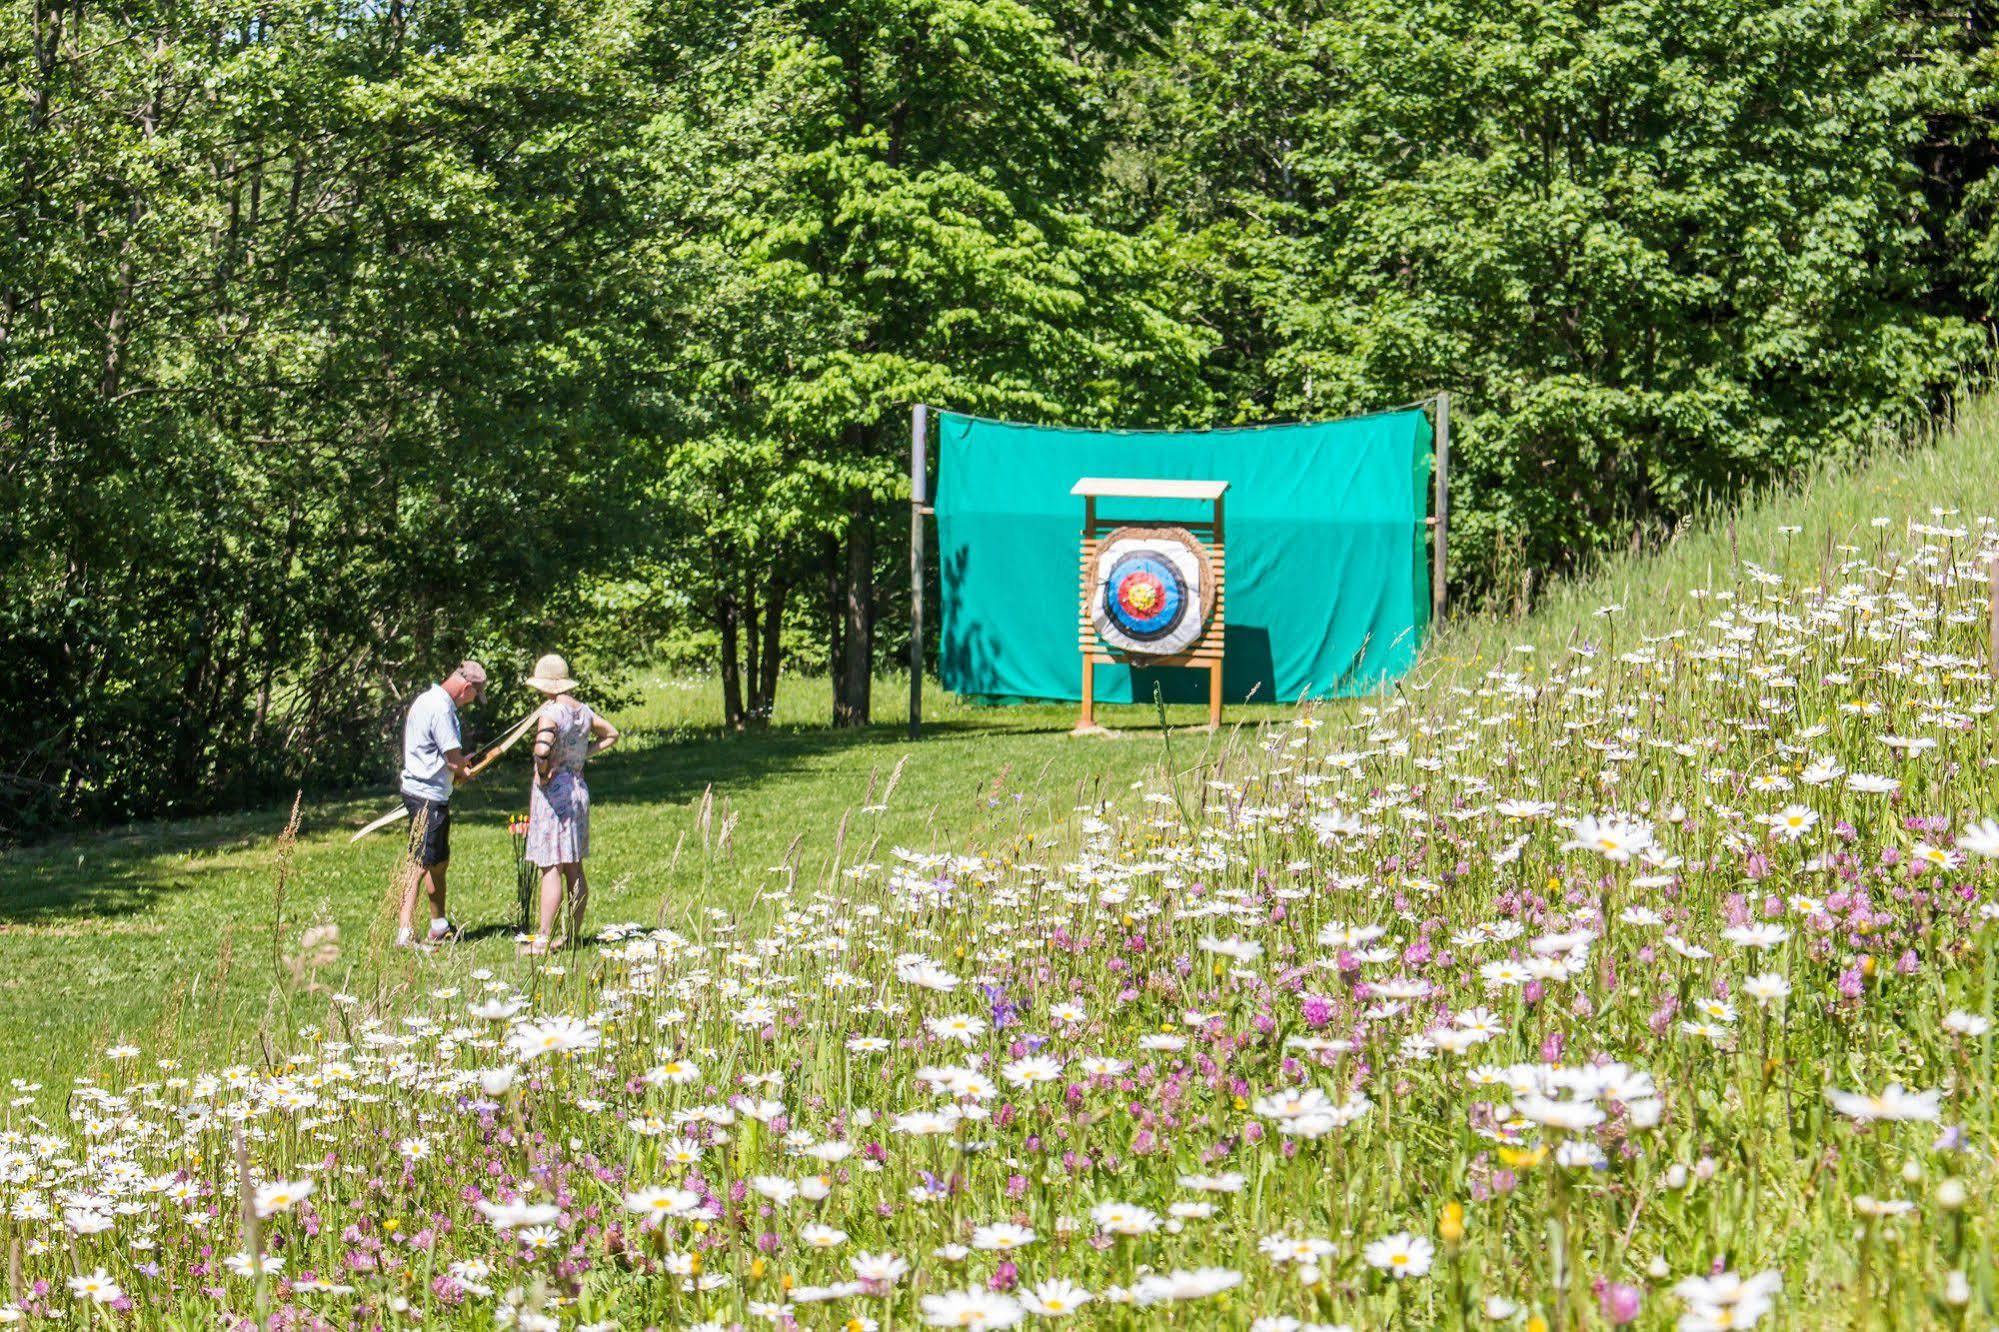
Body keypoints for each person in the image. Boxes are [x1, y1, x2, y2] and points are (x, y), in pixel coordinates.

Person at [521, 653, 618, 953]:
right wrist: (581, 756)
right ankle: (572, 935)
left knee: (551, 866)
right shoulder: (583, 711)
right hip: (578, 788)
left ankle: (544, 938)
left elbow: (541, 749)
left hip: (555, 794)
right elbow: (611, 733)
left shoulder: (552, 713)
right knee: (574, 865)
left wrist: (544, 772)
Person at [397, 660, 487, 947]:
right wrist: (465, 770)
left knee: (438, 861)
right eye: (475, 695)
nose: (472, 702)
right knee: (419, 863)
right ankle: (404, 933)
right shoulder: (441, 708)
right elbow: (452, 757)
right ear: (467, 687)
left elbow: (446, 758)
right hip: (427, 795)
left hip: (429, 791)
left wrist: (460, 766)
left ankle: (438, 925)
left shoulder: (429, 699)